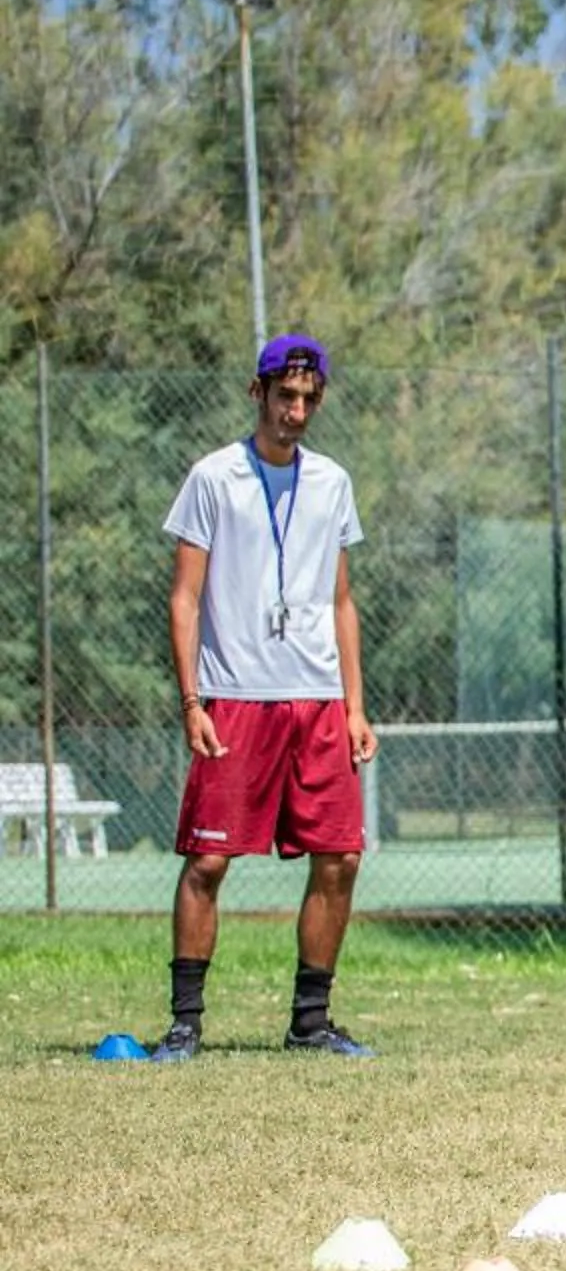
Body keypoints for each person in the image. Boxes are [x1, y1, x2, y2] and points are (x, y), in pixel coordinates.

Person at [154, 332, 378, 1061]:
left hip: (316, 698)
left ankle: (309, 1023)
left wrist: (354, 706)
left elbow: (341, 601)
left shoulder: (332, 483)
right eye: (285, 396)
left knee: (340, 858)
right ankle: (186, 1021)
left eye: (309, 399)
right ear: (258, 393)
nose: (297, 410)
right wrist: (192, 702)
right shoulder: (213, 478)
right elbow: (184, 599)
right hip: (235, 697)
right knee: (209, 862)